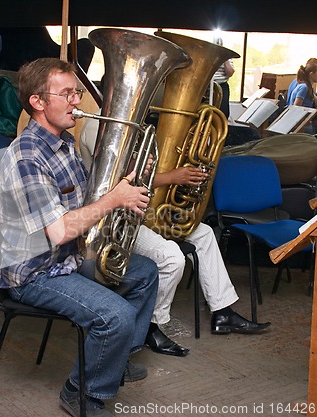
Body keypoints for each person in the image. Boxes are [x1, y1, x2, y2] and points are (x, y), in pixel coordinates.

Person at [0, 57, 159, 417]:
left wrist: (131, 181)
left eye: (77, 92)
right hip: (34, 273)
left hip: (68, 259)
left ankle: (112, 363)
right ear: (38, 102)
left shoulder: (65, 142)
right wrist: (114, 199)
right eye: (67, 94)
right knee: (115, 316)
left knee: (146, 273)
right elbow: (59, 231)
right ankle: (81, 392)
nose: (77, 101)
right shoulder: (28, 156)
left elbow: (87, 200)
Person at [79, 112, 271, 358]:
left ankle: (223, 311)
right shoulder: (98, 127)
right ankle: (151, 325)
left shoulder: (133, 124)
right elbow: (118, 182)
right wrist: (173, 177)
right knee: (171, 257)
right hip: (114, 221)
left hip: (138, 210)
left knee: (202, 233)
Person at [212, 37, 235, 120]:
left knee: (223, 112)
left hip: (222, 86)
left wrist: (225, 57)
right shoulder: (208, 54)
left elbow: (230, 73)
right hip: (207, 86)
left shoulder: (228, 58)